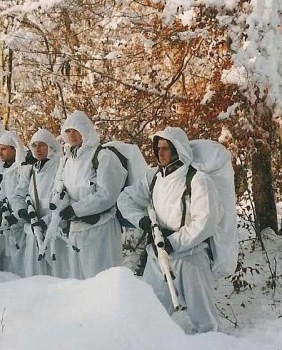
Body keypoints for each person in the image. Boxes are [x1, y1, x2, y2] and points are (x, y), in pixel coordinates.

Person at [117, 127, 221, 333]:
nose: (160, 153)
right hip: (157, 255)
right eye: (158, 148)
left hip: (191, 257)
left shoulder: (197, 179)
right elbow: (125, 198)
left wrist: (173, 242)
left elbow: (206, 221)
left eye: (166, 148)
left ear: (178, 150)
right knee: (150, 314)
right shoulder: (154, 177)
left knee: (205, 321)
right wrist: (144, 222)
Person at [53, 110, 127, 279]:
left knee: (101, 281)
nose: (71, 134)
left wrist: (76, 209)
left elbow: (107, 194)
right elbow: (61, 189)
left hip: (100, 230)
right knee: (78, 283)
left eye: (76, 130)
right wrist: (64, 207)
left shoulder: (103, 156)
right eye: (68, 130)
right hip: (76, 230)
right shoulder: (66, 160)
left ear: (85, 130)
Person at [17, 128, 64, 277]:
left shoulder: (59, 167)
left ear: (50, 146)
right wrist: (22, 211)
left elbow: (63, 197)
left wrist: (46, 221)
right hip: (33, 228)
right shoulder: (32, 170)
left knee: (55, 273)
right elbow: (20, 194)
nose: (38, 149)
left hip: (53, 229)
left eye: (42, 145)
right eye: (34, 145)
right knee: (34, 273)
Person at [0, 131, 29, 275]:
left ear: (14, 149)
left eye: (4, 149)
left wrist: (17, 214)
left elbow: (24, 194)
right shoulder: (7, 170)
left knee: (22, 262)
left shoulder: (23, 169)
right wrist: (0, 204)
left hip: (21, 223)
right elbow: (1, 193)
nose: (0, 153)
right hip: (8, 223)